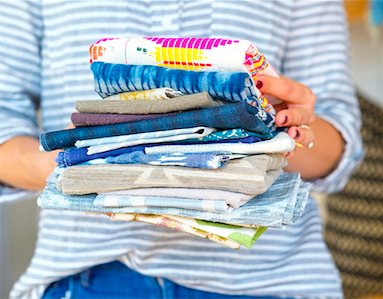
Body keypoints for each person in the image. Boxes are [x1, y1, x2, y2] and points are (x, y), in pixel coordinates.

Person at [0, 1, 363, 298]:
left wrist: (271, 130)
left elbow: (338, 149)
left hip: (268, 279)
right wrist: (85, 159)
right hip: (92, 275)